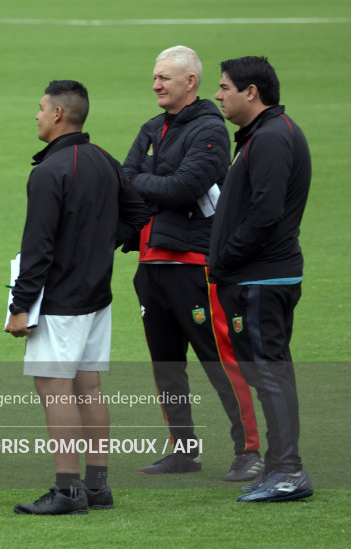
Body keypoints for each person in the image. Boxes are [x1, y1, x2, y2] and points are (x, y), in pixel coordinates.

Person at [6, 80, 148, 515]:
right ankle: (97, 486)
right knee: (88, 387)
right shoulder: (104, 159)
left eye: (40, 107)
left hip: (60, 302)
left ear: (58, 115)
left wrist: (19, 308)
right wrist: (101, 246)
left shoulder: (49, 172)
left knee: (55, 390)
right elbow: (139, 215)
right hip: (96, 297)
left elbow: (38, 249)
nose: (36, 115)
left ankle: (67, 491)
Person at [122, 45, 262, 481]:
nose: (155, 85)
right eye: (154, 76)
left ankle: (249, 450)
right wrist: (149, 184)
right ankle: (183, 449)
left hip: (196, 263)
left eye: (164, 78)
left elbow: (185, 186)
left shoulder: (210, 129)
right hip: (151, 262)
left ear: (190, 82)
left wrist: (145, 183)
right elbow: (126, 185)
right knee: (166, 364)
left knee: (219, 361)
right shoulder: (151, 127)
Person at [211, 56, 312, 502]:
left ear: (251, 92)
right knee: (270, 372)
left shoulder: (270, 138)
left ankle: (287, 471)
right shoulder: (265, 135)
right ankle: (279, 467)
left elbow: (266, 214)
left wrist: (227, 260)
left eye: (225, 87)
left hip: (262, 278)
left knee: (269, 373)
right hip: (263, 275)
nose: (219, 95)